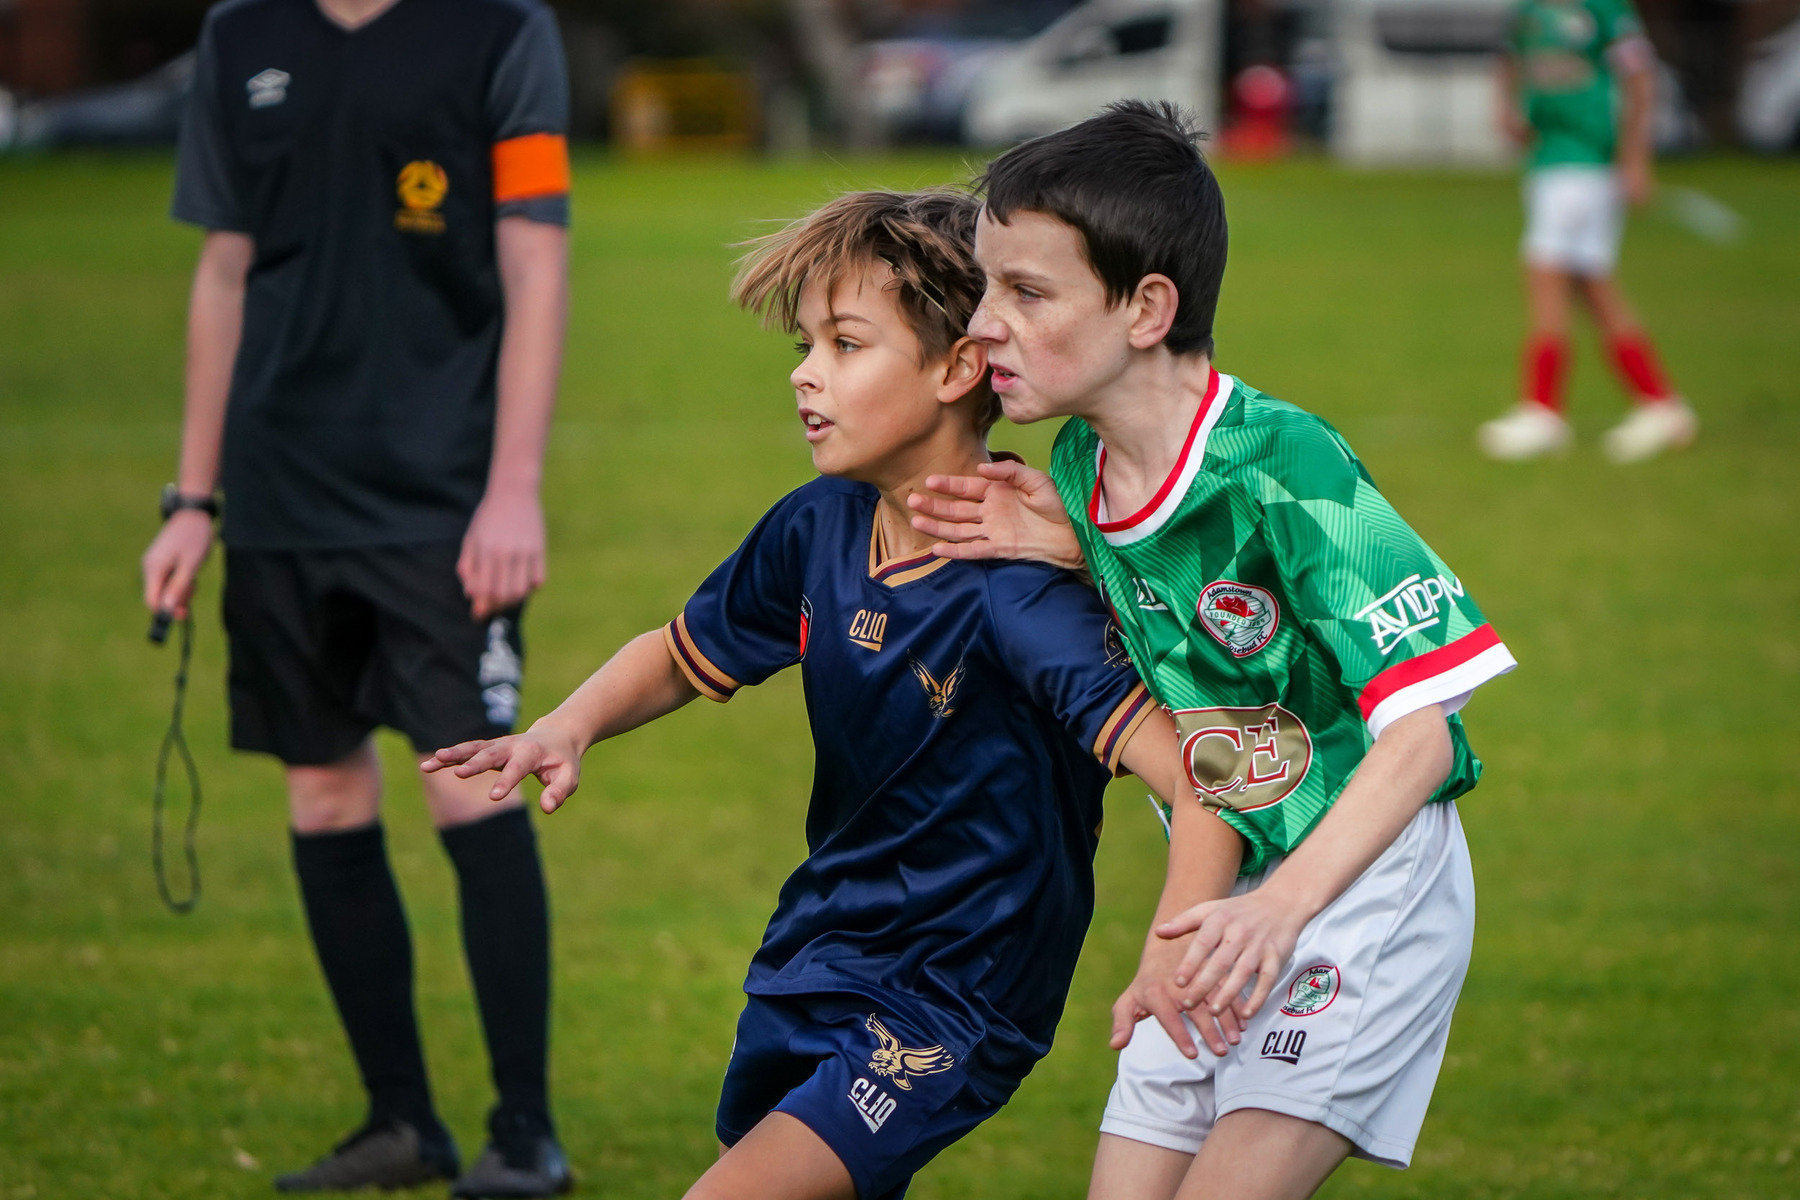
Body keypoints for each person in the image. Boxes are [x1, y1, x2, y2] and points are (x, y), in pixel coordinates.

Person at [423, 188, 1248, 1200]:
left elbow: (1204, 776)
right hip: (818, 951)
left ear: (956, 368)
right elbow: (687, 652)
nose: (804, 375)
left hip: (957, 994)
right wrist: (566, 726)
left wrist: (1178, 950)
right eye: (807, 344)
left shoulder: (1021, 595)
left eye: (846, 345)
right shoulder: (818, 526)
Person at [906, 101, 1518, 1199]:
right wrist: (1070, 547)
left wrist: (1282, 910)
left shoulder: (1286, 463)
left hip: (1367, 878)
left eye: (1026, 292)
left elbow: (1423, 735)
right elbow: (1199, 616)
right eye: (988, 285)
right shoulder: (1086, 461)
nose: (983, 322)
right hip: (1226, 885)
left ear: (1147, 308)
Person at [138, 0, 573, 1192]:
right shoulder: (240, 37)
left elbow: (536, 262)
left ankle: (523, 1132)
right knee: (325, 794)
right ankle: (401, 1123)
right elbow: (225, 269)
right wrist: (193, 497)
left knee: (471, 786)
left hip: (442, 498)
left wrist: (514, 491)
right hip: (281, 493)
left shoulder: (499, 29)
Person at [1477, 0, 1698, 462]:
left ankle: (1542, 411)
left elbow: (1639, 77)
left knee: (1545, 273)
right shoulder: (1528, 10)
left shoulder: (1604, 8)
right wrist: (1506, 108)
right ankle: (1660, 404)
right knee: (1591, 285)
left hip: (1587, 162)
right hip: (1549, 160)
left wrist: (1636, 157)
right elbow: (1510, 57)